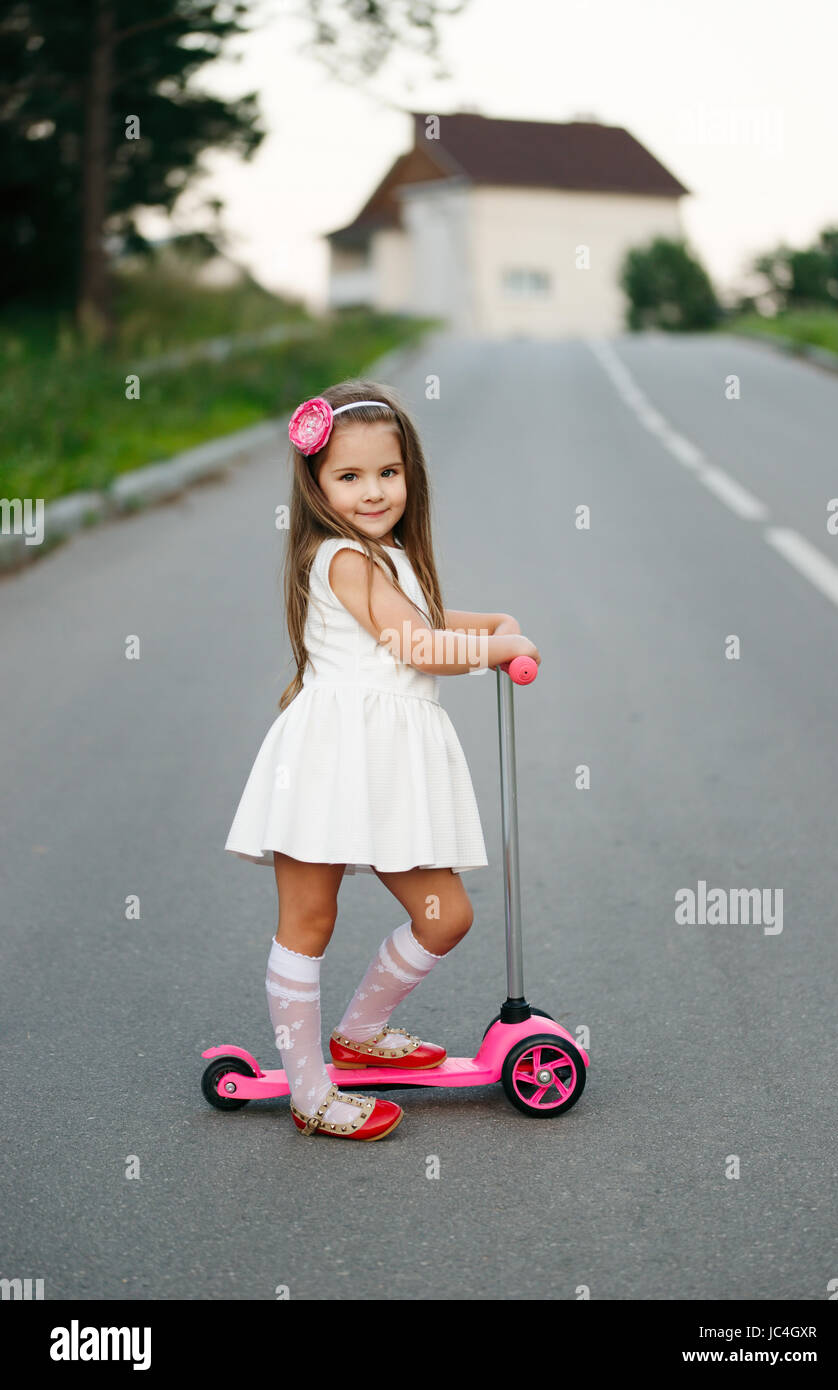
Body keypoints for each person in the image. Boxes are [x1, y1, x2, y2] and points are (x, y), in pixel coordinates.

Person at [224, 380, 541, 1141]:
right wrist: (501, 649)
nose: (372, 492)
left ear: (410, 475)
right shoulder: (339, 559)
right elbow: (416, 646)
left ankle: (360, 1029)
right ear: (316, 483)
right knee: (309, 916)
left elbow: (427, 620)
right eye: (349, 476)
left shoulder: (387, 558)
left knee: (446, 913)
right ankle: (309, 1091)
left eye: (387, 474)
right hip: (329, 762)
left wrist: (495, 622)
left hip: (386, 771)